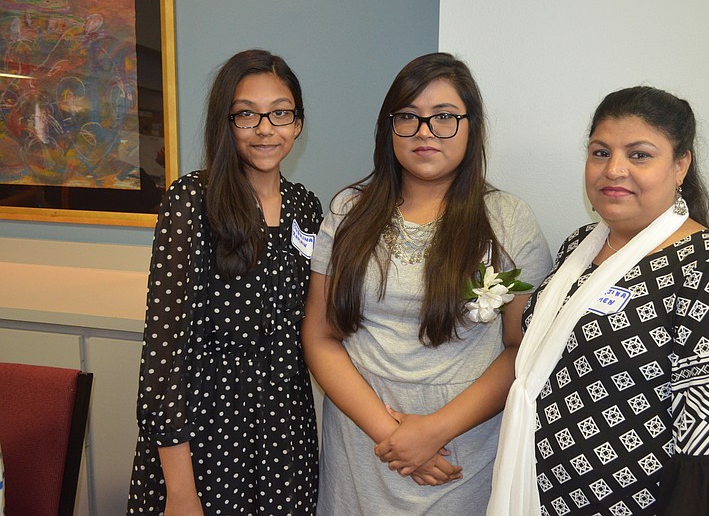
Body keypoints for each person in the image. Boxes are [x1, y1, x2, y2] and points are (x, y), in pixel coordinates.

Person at [488, 86, 709, 516]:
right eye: (600, 152)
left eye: (640, 155)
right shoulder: (578, 250)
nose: (614, 170)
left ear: (681, 165)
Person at [302, 53, 552, 515]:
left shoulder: (507, 219)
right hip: (364, 444)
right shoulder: (348, 210)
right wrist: (390, 434)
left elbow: (522, 348)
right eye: (408, 118)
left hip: (462, 449)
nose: (424, 133)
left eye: (443, 118)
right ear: (388, 127)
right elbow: (320, 336)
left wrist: (433, 431)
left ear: (470, 126)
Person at [127, 49, 322, 515]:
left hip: (284, 436)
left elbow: (320, 329)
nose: (264, 128)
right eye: (246, 114)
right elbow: (163, 353)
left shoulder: (307, 207)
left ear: (297, 123)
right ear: (226, 122)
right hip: (204, 439)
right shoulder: (192, 199)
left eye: (279, 113)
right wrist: (179, 489)